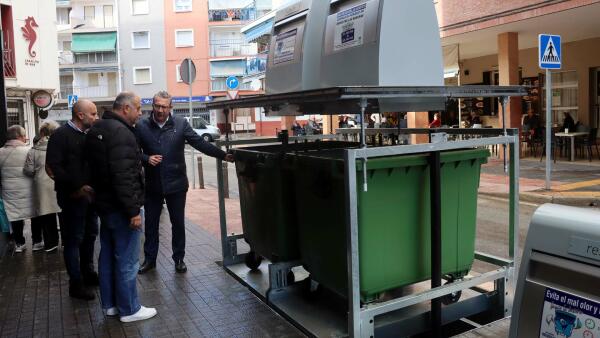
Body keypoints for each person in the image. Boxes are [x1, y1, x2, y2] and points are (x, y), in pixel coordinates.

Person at [135, 91, 234, 274]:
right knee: (150, 224)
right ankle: (150, 260)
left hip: (176, 184)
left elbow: (199, 143)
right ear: (153, 106)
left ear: (170, 108)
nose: (160, 110)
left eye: (164, 106)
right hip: (152, 185)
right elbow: (132, 151)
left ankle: (179, 258)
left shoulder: (180, 124)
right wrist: (146, 158)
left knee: (178, 223)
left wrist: (222, 155)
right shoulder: (142, 126)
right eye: (157, 105)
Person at [85, 91, 157, 322]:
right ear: (125, 108)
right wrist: (133, 211)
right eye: (138, 108)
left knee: (107, 255)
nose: (140, 113)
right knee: (127, 259)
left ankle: (110, 305)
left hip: (105, 206)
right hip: (121, 208)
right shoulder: (122, 133)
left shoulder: (97, 129)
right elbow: (123, 175)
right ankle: (130, 309)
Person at [46, 99, 99, 300]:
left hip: (91, 198)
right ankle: (75, 284)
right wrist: (77, 187)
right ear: (80, 115)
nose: (96, 117)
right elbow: (54, 167)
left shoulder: (92, 135)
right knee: (73, 239)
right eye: (93, 114)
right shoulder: (60, 136)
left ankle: (88, 273)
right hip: (72, 198)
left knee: (90, 235)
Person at [24, 121, 61, 253]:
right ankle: (67, 242)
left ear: (42, 133)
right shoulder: (61, 146)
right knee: (63, 213)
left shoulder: (33, 150)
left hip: (42, 186)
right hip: (60, 182)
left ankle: (51, 245)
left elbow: (28, 170)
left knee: (46, 215)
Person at [0, 125, 34, 253]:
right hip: (29, 189)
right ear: (19, 137)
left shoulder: (0, 152)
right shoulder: (29, 150)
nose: (25, 138)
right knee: (34, 214)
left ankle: (19, 243)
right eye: (24, 136)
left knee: (15, 216)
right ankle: (37, 240)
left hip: (9, 191)